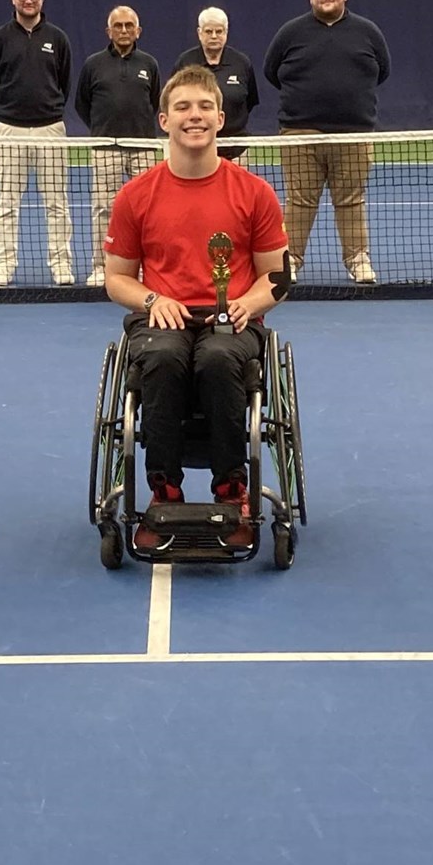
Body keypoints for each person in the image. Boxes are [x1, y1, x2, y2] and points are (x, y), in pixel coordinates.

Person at [103, 66, 292, 549]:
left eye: (205, 107)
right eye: (183, 107)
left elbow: (278, 275)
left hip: (233, 319)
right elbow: (116, 279)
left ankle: (232, 490)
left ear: (221, 118)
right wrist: (153, 298)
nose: (195, 116)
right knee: (164, 358)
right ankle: (163, 492)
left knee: (218, 358)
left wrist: (247, 303)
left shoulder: (255, 192)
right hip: (161, 317)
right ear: (163, 120)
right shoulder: (134, 196)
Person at [262, 0, 390, 284]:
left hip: (353, 133)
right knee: (300, 199)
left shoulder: (367, 32)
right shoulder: (291, 32)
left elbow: (382, 70)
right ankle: (289, 260)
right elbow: (270, 70)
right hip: (299, 134)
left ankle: (358, 261)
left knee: (351, 199)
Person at [0, 0, 74, 286]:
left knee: (57, 202)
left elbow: (64, 82)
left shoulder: (57, 39)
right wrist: (10, 112)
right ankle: (4, 265)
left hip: (51, 131)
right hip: (9, 130)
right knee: (7, 202)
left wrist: (47, 111)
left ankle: (60, 264)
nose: (29, 0)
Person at [74, 5, 163, 287]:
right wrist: (104, 131)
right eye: (118, 26)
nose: (123, 31)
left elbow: (156, 101)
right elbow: (82, 104)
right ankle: (101, 267)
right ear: (108, 31)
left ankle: (147, 269)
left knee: (148, 211)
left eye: (129, 26)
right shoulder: (93, 64)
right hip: (105, 146)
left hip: (143, 146)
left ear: (138, 31)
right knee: (104, 208)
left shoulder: (149, 64)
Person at [173, 7, 260, 161]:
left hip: (237, 151)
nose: (214, 36)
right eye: (208, 31)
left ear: (226, 33)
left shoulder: (241, 63)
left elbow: (249, 102)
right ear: (199, 33)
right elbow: (174, 101)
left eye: (219, 32)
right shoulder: (185, 62)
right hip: (195, 151)